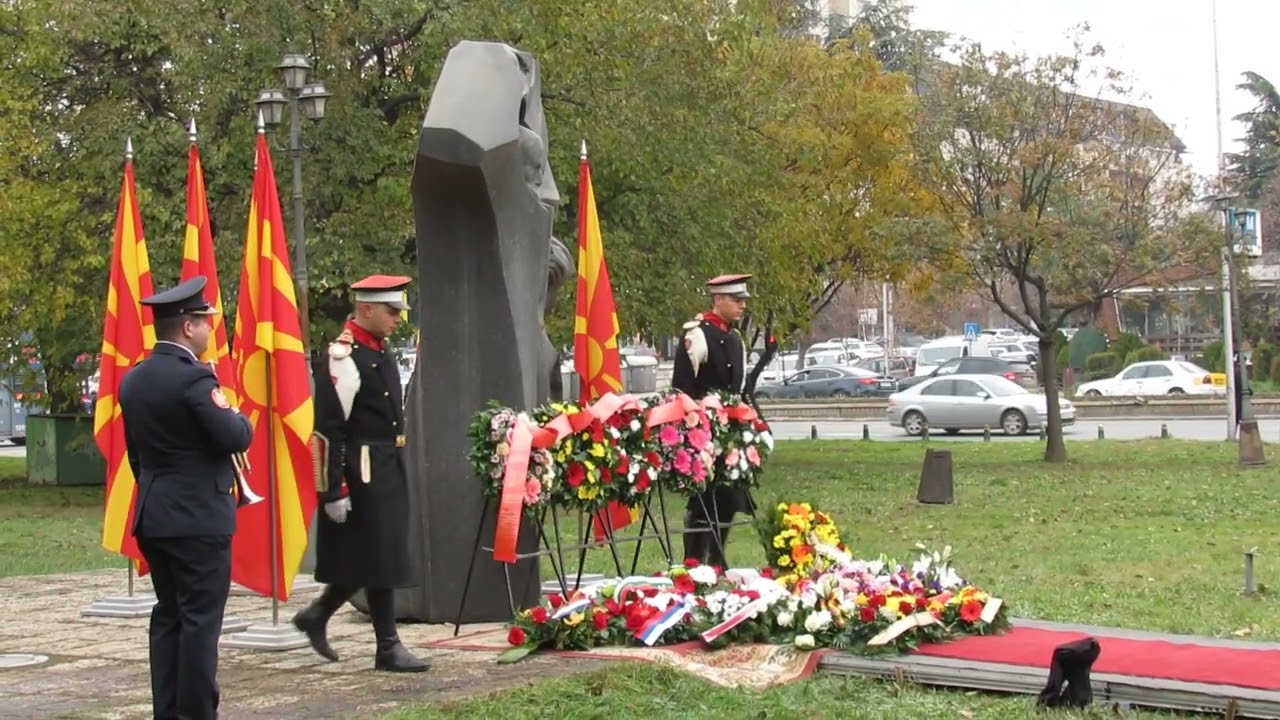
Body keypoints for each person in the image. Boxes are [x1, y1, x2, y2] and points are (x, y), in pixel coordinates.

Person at [120, 275, 254, 720]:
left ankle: (169, 711)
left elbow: (137, 456)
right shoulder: (195, 378)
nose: (210, 329)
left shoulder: (135, 379)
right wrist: (235, 413)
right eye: (206, 321)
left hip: (156, 513)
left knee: (169, 618)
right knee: (200, 622)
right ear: (188, 327)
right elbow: (234, 435)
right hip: (199, 518)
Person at [293, 274, 429, 673]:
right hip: (362, 467)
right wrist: (333, 488)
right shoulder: (343, 357)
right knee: (379, 554)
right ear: (366, 309)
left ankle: (318, 615)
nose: (396, 320)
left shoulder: (377, 350)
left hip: (386, 464)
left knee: (375, 554)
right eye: (390, 311)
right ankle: (387, 646)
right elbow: (328, 430)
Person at [671, 273, 774, 568]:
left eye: (744, 300)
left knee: (730, 497)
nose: (742, 306)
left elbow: (739, 390)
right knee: (702, 500)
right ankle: (693, 561)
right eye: (736, 300)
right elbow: (683, 388)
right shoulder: (697, 335)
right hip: (702, 433)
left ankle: (717, 561)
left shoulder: (734, 339)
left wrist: (756, 426)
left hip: (731, 434)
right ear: (718, 300)